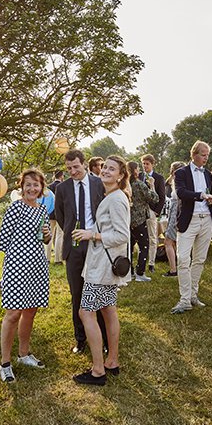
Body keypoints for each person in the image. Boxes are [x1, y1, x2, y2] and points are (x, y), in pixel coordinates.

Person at [71, 155, 131, 386]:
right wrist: (92, 230)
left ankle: (97, 371)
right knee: (107, 310)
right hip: (105, 266)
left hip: (103, 267)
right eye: (104, 167)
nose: (105, 170)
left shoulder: (116, 199)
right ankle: (112, 361)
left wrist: (92, 235)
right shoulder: (113, 196)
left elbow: (122, 235)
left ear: (121, 175)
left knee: (86, 313)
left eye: (111, 168)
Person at [0, 169, 52, 383]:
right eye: (28, 184)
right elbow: (4, 239)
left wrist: (47, 236)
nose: (32, 188)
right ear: (21, 187)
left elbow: (45, 239)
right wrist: (11, 267)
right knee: (13, 314)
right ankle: (5, 363)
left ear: (41, 188)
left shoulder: (42, 211)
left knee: (30, 311)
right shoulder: (15, 208)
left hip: (37, 266)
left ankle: (24, 354)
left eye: (36, 185)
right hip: (17, 267)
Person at [54, 149, 107, 354]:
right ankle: (81, 339)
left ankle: (101, 340)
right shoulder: (62, 188)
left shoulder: (98, 183)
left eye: (76, 167)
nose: (73, 171)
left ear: (84, 164)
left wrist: (94, 233)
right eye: (68, 169)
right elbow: (60, 216)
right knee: (77, 293)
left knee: (98, 293)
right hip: (74, 246)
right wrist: (72, 233)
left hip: (96, 243)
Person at [171, 141, 212, 314]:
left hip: (206, 219)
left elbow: (209, 191)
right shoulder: (181, 172)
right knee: (183, 259)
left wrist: (211, 201)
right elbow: (181, 192)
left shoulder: (207, 173)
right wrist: (201, 195)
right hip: (188, 220)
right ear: (194, 154)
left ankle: (192, 295)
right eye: (203, 154)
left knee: (199, 259)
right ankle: (184, 300)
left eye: (207, 155)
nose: (206, 158)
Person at [127, 162, 158, 282]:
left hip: (128, 219)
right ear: (135, 170)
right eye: (138, 168)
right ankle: (140, 273)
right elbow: (154, 198)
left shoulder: (126, 184)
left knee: (129, 246)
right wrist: (152, 185)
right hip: (139, 219)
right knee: (144, 246)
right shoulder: (139, 184)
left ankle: (130, 271)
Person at [141, 154, 166, 273]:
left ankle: (151, 263)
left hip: (151, 211)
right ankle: (140, 262)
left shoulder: (159, 178)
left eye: (147, 164)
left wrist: (156, 212)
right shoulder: (139, 176)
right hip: (138, 212)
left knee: (152, 237)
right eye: (143, 164)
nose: (145, 166)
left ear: (152, 164)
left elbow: (162, 197)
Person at [163, 161, 186, 277]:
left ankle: (173, 269)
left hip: (176, 210)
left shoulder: (177, 181)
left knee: (168, 241)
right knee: (178, 242)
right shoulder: (182, 180)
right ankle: (181, 268)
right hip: (177, 209)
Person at [46, 170, 65, 264]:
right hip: (60, 214)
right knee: (59, 236)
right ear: (61, 176)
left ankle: (47, 258)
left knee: (49, 235)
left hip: (50, 214)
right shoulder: (63, 186)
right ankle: (58, 259)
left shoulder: (49, 187)